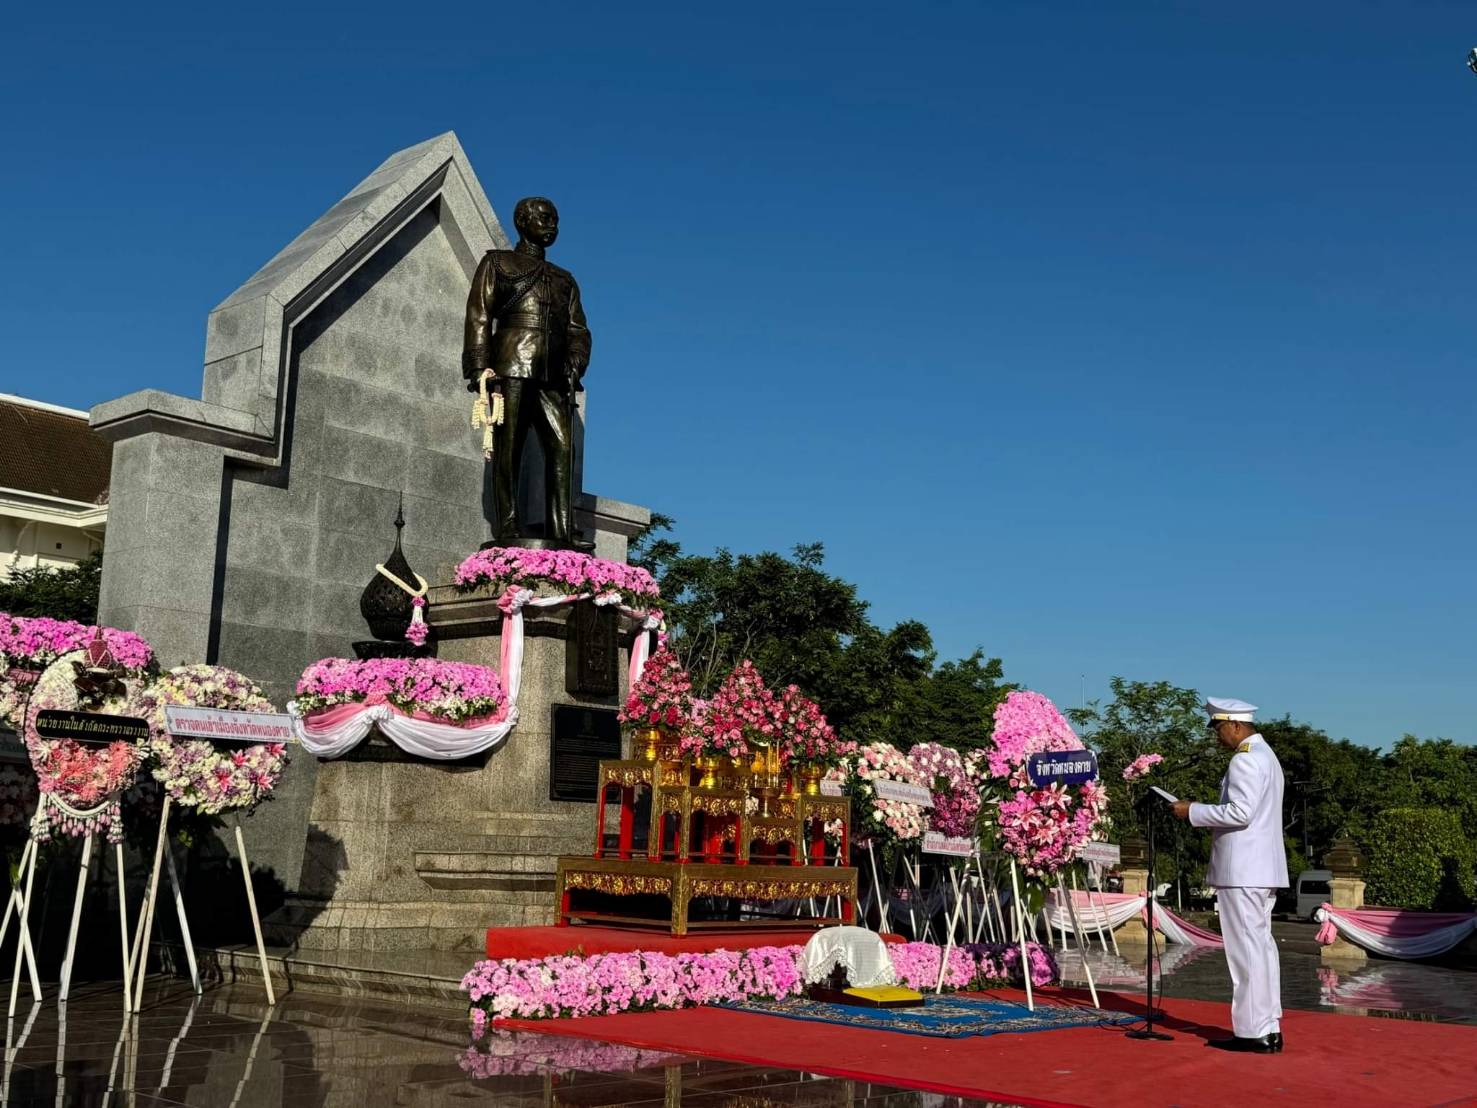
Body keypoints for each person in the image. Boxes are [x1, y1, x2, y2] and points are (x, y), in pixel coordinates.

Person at [462, 196, 592, 548]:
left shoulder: (564, 279)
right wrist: (479, 367)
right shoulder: (497, 263)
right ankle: (508, 526)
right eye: (545, 218)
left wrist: (576, 362)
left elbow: (578, 330)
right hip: (511, 366)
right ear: (522, 221)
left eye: (555, 220)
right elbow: (479, 314)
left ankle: (562, 531)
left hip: (555, 375)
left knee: (563, 448)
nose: (552, 225)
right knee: (509, 449)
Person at [1170, 697, 1288, 1054]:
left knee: (1246, 951)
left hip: (1243, 869)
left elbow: (1240, 812)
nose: (1217, 736)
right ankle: (1268, 1026)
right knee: (1261, 948)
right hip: (1260, 868)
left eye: (1219, 728)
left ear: (1236, 725)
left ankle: (1253, 1031)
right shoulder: (1267, 756)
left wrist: (1193, 811)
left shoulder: (1245, 759)